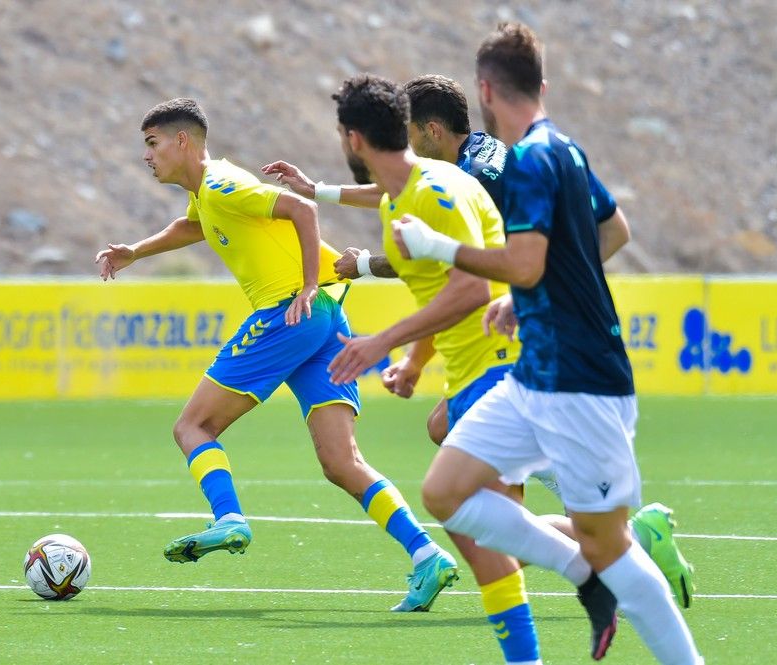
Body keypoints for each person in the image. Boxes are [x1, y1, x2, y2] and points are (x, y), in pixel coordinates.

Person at [265, 73, 695, 611]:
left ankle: (620, 543)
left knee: (490, 515)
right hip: (510, 332)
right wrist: (320, 192)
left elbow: (447, 259)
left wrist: (370, 270)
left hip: (523, 334)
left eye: (408, 135)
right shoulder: (470, 162)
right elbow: (400, 189)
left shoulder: (473, 178)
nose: (402, 148)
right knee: (448, 433)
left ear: (433, 130)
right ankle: (613, 538)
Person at [393, 24, 703, 663]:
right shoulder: (564, 149)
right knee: (445, 490)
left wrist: (439, 249)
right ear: (543, 83)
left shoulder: (531, 158)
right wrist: (529, 295)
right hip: (537, 374)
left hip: (579, 382)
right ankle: (587, 577)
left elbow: (529, 262)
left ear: (484, 90)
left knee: (608, 542)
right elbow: (605, 233)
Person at [95, 97, 458, 613]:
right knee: (341, 461)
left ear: (183, 142)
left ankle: (229, 518)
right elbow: (192, 226)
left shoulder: (223, 184)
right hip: (328, 315)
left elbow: (301, 208)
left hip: (291, 313)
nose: (146, 157)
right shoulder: (209, 192)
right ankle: (427, 556)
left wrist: (306, 285)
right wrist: (135, 250)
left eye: (152, 145)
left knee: (192, 427)